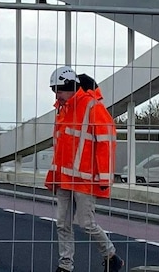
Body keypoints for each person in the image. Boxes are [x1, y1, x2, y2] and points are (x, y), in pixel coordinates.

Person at [45, 66, 125, 272]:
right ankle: (65, 266)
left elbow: (106, 142)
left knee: (86, 223)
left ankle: (111, 256)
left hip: (85, 179)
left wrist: (104, 178)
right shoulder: (63, 109)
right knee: (62, 224)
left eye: (60, 91)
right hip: (64, 177)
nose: (57, 96)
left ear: (71, 87)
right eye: (54, 91)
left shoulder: (92, 107)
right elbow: (61, 145)